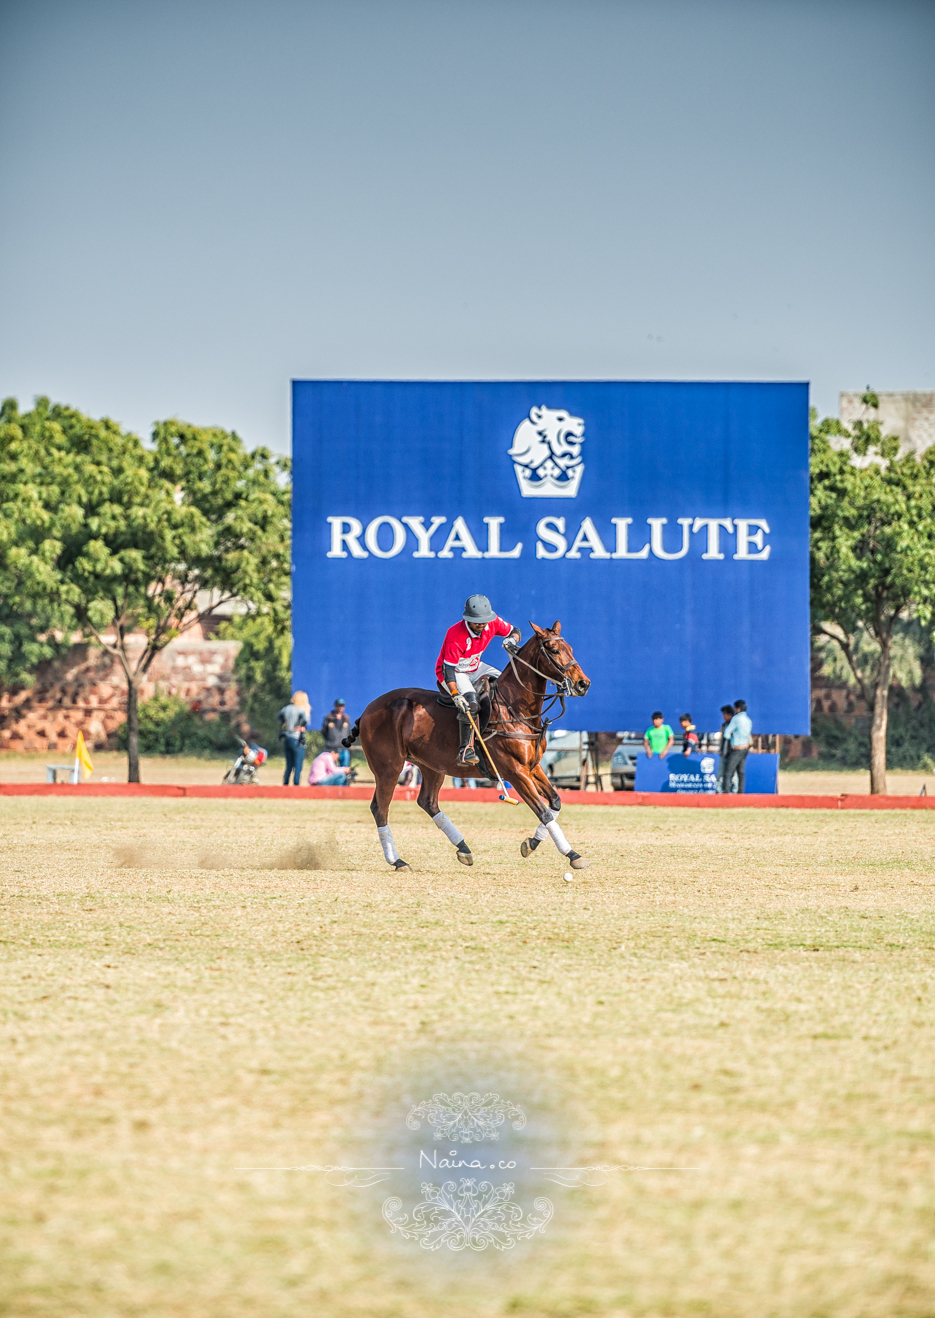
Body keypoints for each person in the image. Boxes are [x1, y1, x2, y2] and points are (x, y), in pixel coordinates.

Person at [436, 594, 521, 767]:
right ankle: (465, 750)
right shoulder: (456, 635)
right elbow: (449, 670)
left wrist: (511, 640)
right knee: (471, 703)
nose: (481, 625)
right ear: (468, 618)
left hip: (475, 666)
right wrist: (455, 694)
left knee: (508, 684)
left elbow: (515, 631)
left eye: (484, 621)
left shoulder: (492, 622)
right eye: (477, 622)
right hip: (454, 672)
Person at [277, 690, 310, 786]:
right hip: (297, 738)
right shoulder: (300, 710)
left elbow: (279, 716)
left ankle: (285, 784)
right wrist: (300, 726)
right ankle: (296, 785)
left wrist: (284, 722)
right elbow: (305, 720)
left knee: (289, 765)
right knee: (298, 765)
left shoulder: (286, 708)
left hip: (287, 738)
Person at [723, 699, 753, 794]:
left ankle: (725, 792)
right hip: (745, 748)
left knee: (728, 772)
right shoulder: (748, 720)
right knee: (741, 772)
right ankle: (740, 793)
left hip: (736, 749)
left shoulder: (736, 718)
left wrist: (731, 735)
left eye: (735, 708)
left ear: (738, 709)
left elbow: (726, 733)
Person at [322, 698, 352, 768]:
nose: (341, 708)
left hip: (344, 748)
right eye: (339, 705)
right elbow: (324, 732)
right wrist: (330, 740)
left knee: (345, 770)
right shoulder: (328, 718)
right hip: (332, 748)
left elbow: (348, 732)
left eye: (342, 706)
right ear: (335, 706)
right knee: (332, 770)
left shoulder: (346, 719)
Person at [717, 704, 735, 792]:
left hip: (734, 754)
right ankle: (719, 794)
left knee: (734, 777)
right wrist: (721, 750)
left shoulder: (735, 725)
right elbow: (722, 740)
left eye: (725, 714)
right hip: (724, 754)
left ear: (730, 715)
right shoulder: (724, 726)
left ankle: (734, 795)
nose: (723, 716)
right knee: (720, 775)